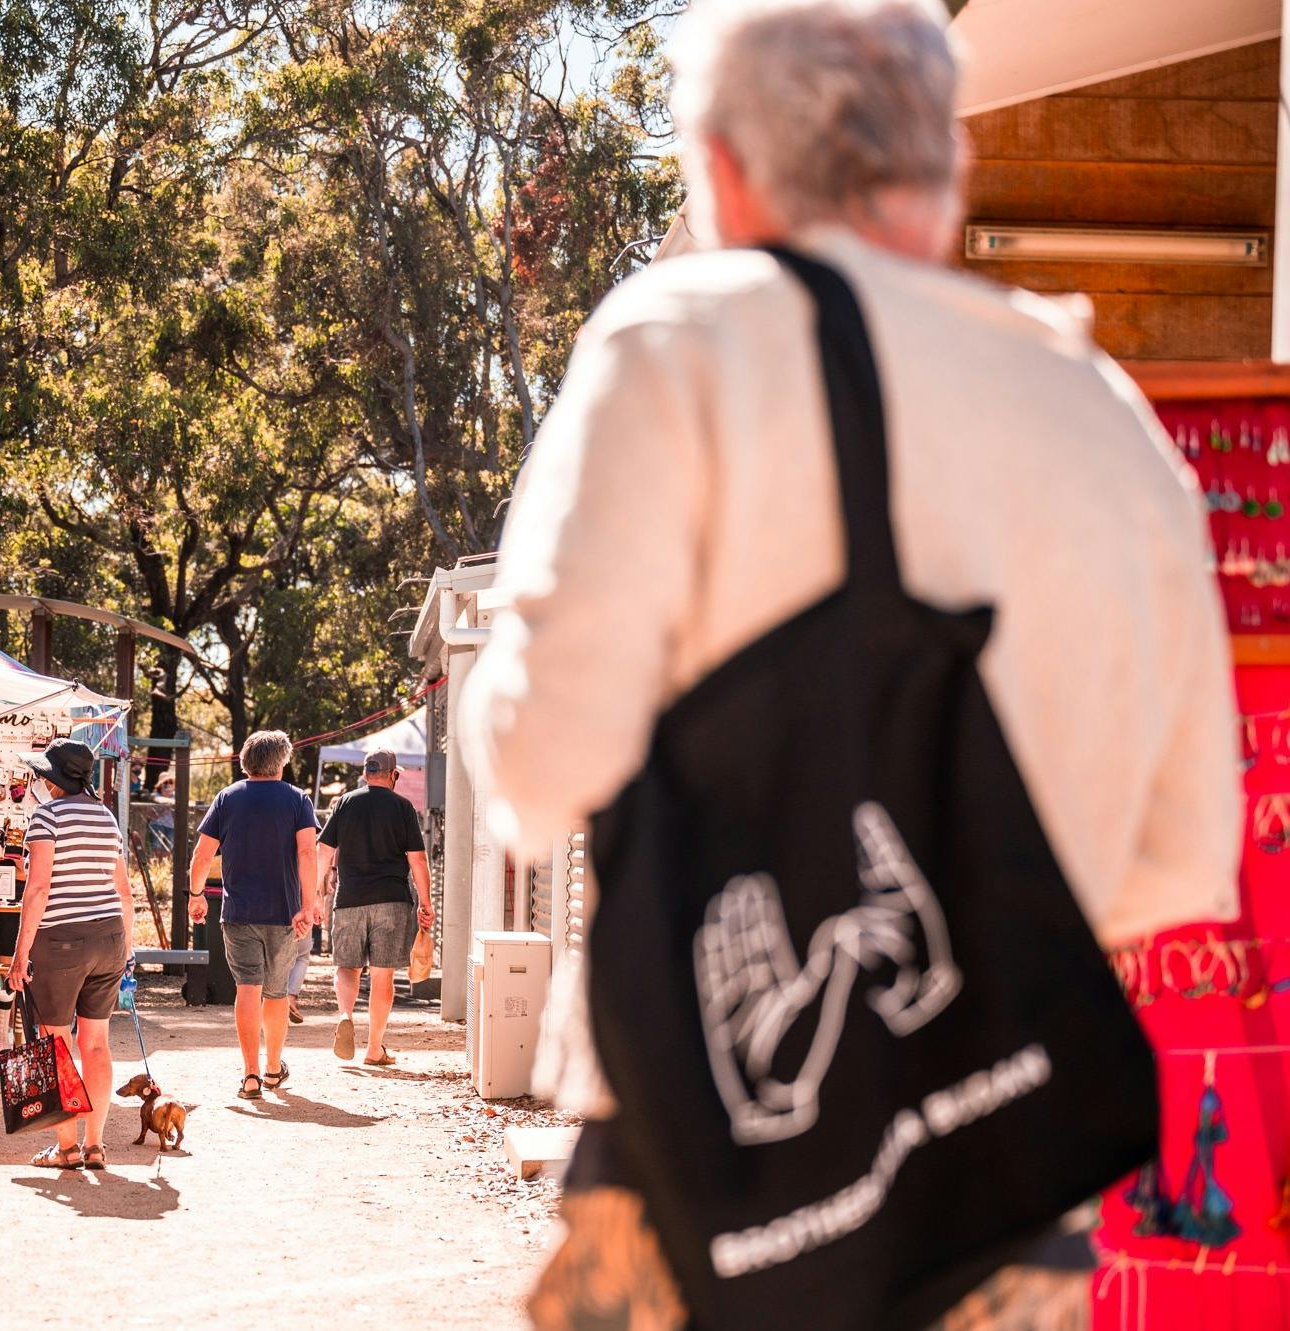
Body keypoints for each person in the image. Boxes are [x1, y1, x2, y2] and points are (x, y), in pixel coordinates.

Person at [457, 1, 1240, 1326]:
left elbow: (545, 766)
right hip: (996, 1192)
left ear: (722, 166)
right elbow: (1184, 852)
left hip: (708, 1181)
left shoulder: (685, 339)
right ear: (948, 172)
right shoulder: (1103, 407)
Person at [7, 739, 133, 1170]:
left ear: (52, 778)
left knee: (55, 1042)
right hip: (110, 937)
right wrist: (127, 948)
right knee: (96, 1043)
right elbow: (124, 890)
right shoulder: (106, 817)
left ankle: (66, 1148)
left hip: (61, 940)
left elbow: (38, 888)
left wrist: (20, 952)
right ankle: (95, 1145)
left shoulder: (46, 817)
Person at [188, 731, 318, 1101]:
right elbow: (308, 854)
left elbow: (202, 855)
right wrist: (307, 906)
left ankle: (251, 1075)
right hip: (284, 914)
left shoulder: (227, 798)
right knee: (276, 993)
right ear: (282, 762)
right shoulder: (297, 800)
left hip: (239, 911)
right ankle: (274, 1068)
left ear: (245, 761)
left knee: (248, 987)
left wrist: (196, 896)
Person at [317, 750, 430, 1067]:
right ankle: (374, 1049)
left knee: (347, 967)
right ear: (393, 775)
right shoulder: (403, 807)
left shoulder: (345, 802)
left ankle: (345, 1014)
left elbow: (323, 851)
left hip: (350, 898)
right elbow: (417, 860)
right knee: (383, 976)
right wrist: (426, 902)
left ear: (366, 773)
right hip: (392, 901)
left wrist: (317, 893)